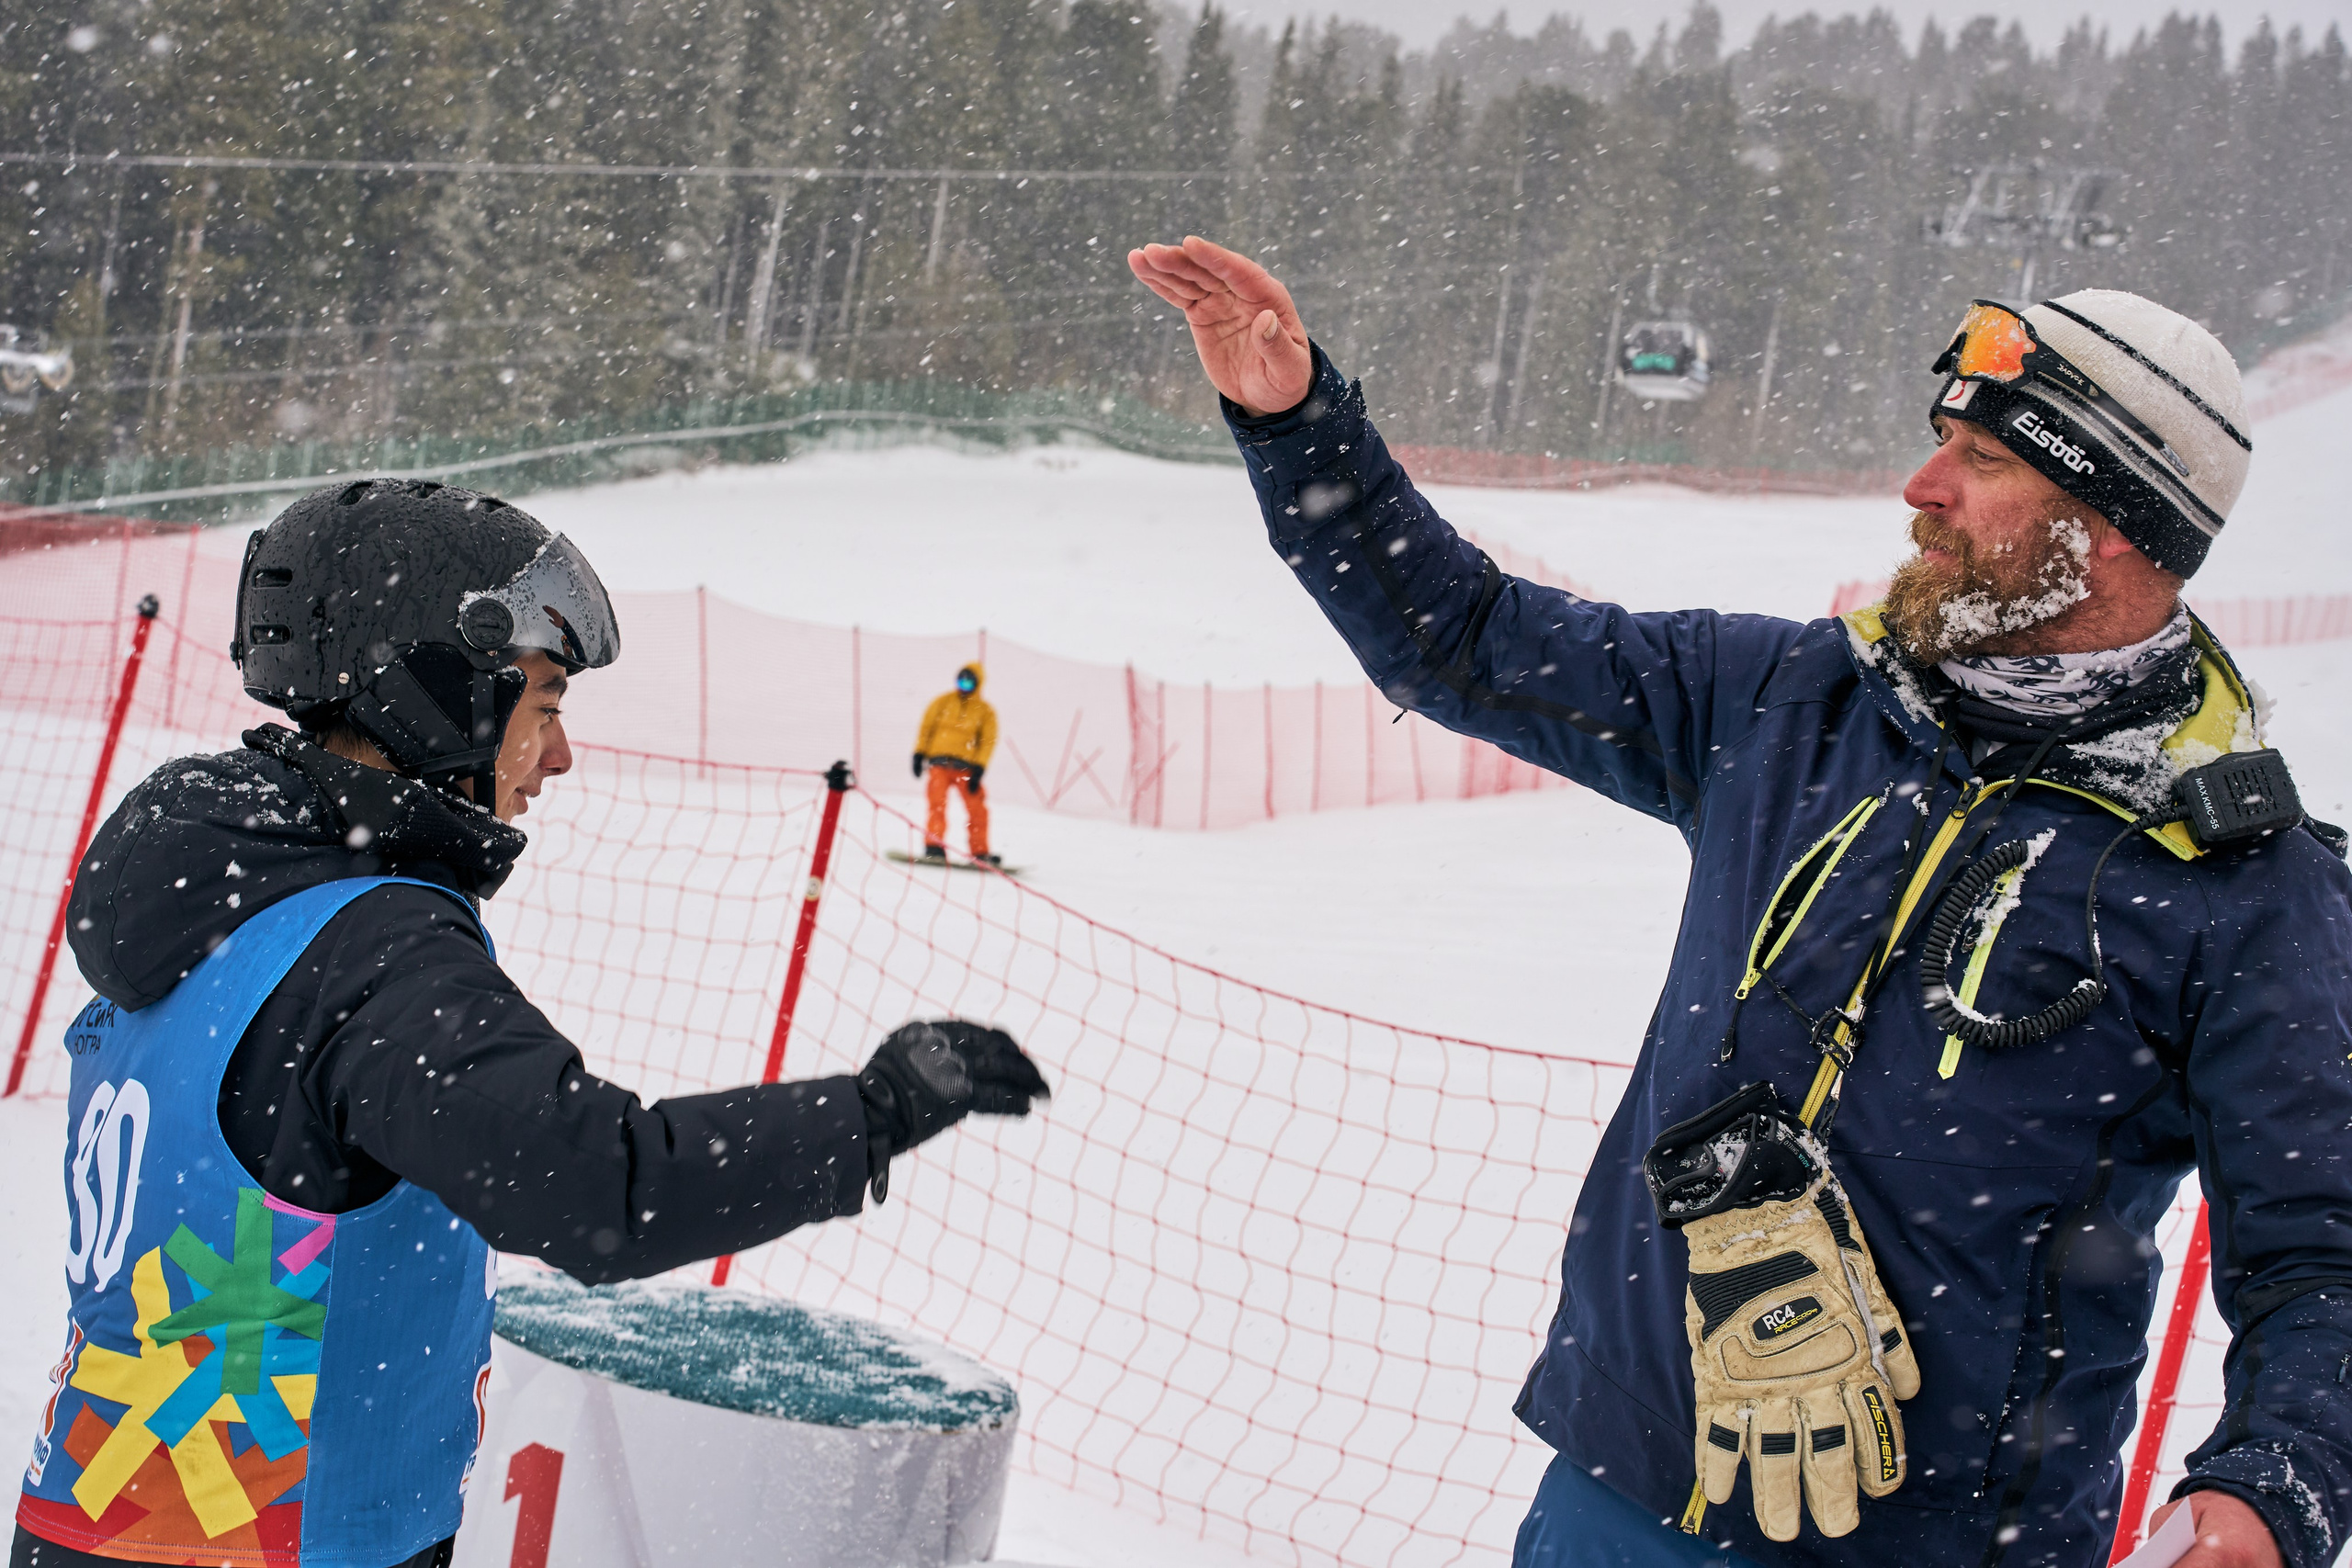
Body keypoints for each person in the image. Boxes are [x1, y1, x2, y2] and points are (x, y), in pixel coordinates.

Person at [1131, 235, 2352, 1568]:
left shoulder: (2246, 886)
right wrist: (1296, 421)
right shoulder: (1788, 700)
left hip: (1940, 1546)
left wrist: (2266, 1493)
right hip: (1625, 1488)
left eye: (1984, 462)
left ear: (2110, 524)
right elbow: (1464, 638)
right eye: (1941, 442)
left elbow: (2323, 1256)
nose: (1921, 486)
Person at [14, 479, 1049, 1568]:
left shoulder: (218, 895)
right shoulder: (372, 952)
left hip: (103, 1511)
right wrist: (874, 1112)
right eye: (545, 707)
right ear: (439, 694)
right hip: (268, 1540)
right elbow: (600, 1187)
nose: (558, 757)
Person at [912, 664, 999, 866]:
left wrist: (979, 768)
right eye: (961, 681)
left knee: (977, 809)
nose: (964, 686)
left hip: (966, 768)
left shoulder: (985, 711)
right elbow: (926, 728)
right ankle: (934, 846)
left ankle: (980, 852)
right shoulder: (942, 702)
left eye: (969, 682)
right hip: (938, 765)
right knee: (937, 805)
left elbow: (988, 741)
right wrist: (919, 754)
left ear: (977, 684)